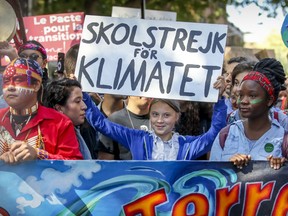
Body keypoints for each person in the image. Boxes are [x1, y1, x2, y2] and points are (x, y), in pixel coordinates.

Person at [84, 76, 227, 160]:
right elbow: (101, 124)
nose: (159, 120)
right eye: (155, 114)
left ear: (177, 117)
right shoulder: (137, 138)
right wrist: (83, 91)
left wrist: (219, 99)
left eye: (166, 115)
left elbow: (214, 134)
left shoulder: (186, 144)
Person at [0, 57, 83, 163]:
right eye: (6, 81)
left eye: (18, 80)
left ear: (36, 85)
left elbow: (75, 164)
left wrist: (39, 154)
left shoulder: (60, 122)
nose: (10, 87)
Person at [209, 58, 287, 170]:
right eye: (241, 95)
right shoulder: (225, 135)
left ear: (269, 100)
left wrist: (281, 168)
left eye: (252, 96)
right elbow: (211, 177)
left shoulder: (284, 140)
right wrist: (227, 167)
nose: (244, 101)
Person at [43, 78, 92, 159]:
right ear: (59, 108)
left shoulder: (86, 129)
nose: (84, 106)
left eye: (83, 100)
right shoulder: (46, 137)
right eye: (77, 101)